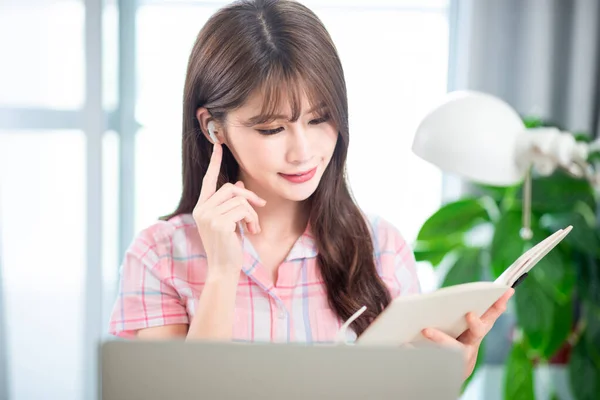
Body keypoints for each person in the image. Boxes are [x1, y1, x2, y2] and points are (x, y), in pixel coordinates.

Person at [108, 0, 513, 381]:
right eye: (272, 128)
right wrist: (222, 273)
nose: (304, 152)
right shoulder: (159, 256)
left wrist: (443, 372)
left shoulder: (382, 249)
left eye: (320, 119)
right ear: (214, 127)